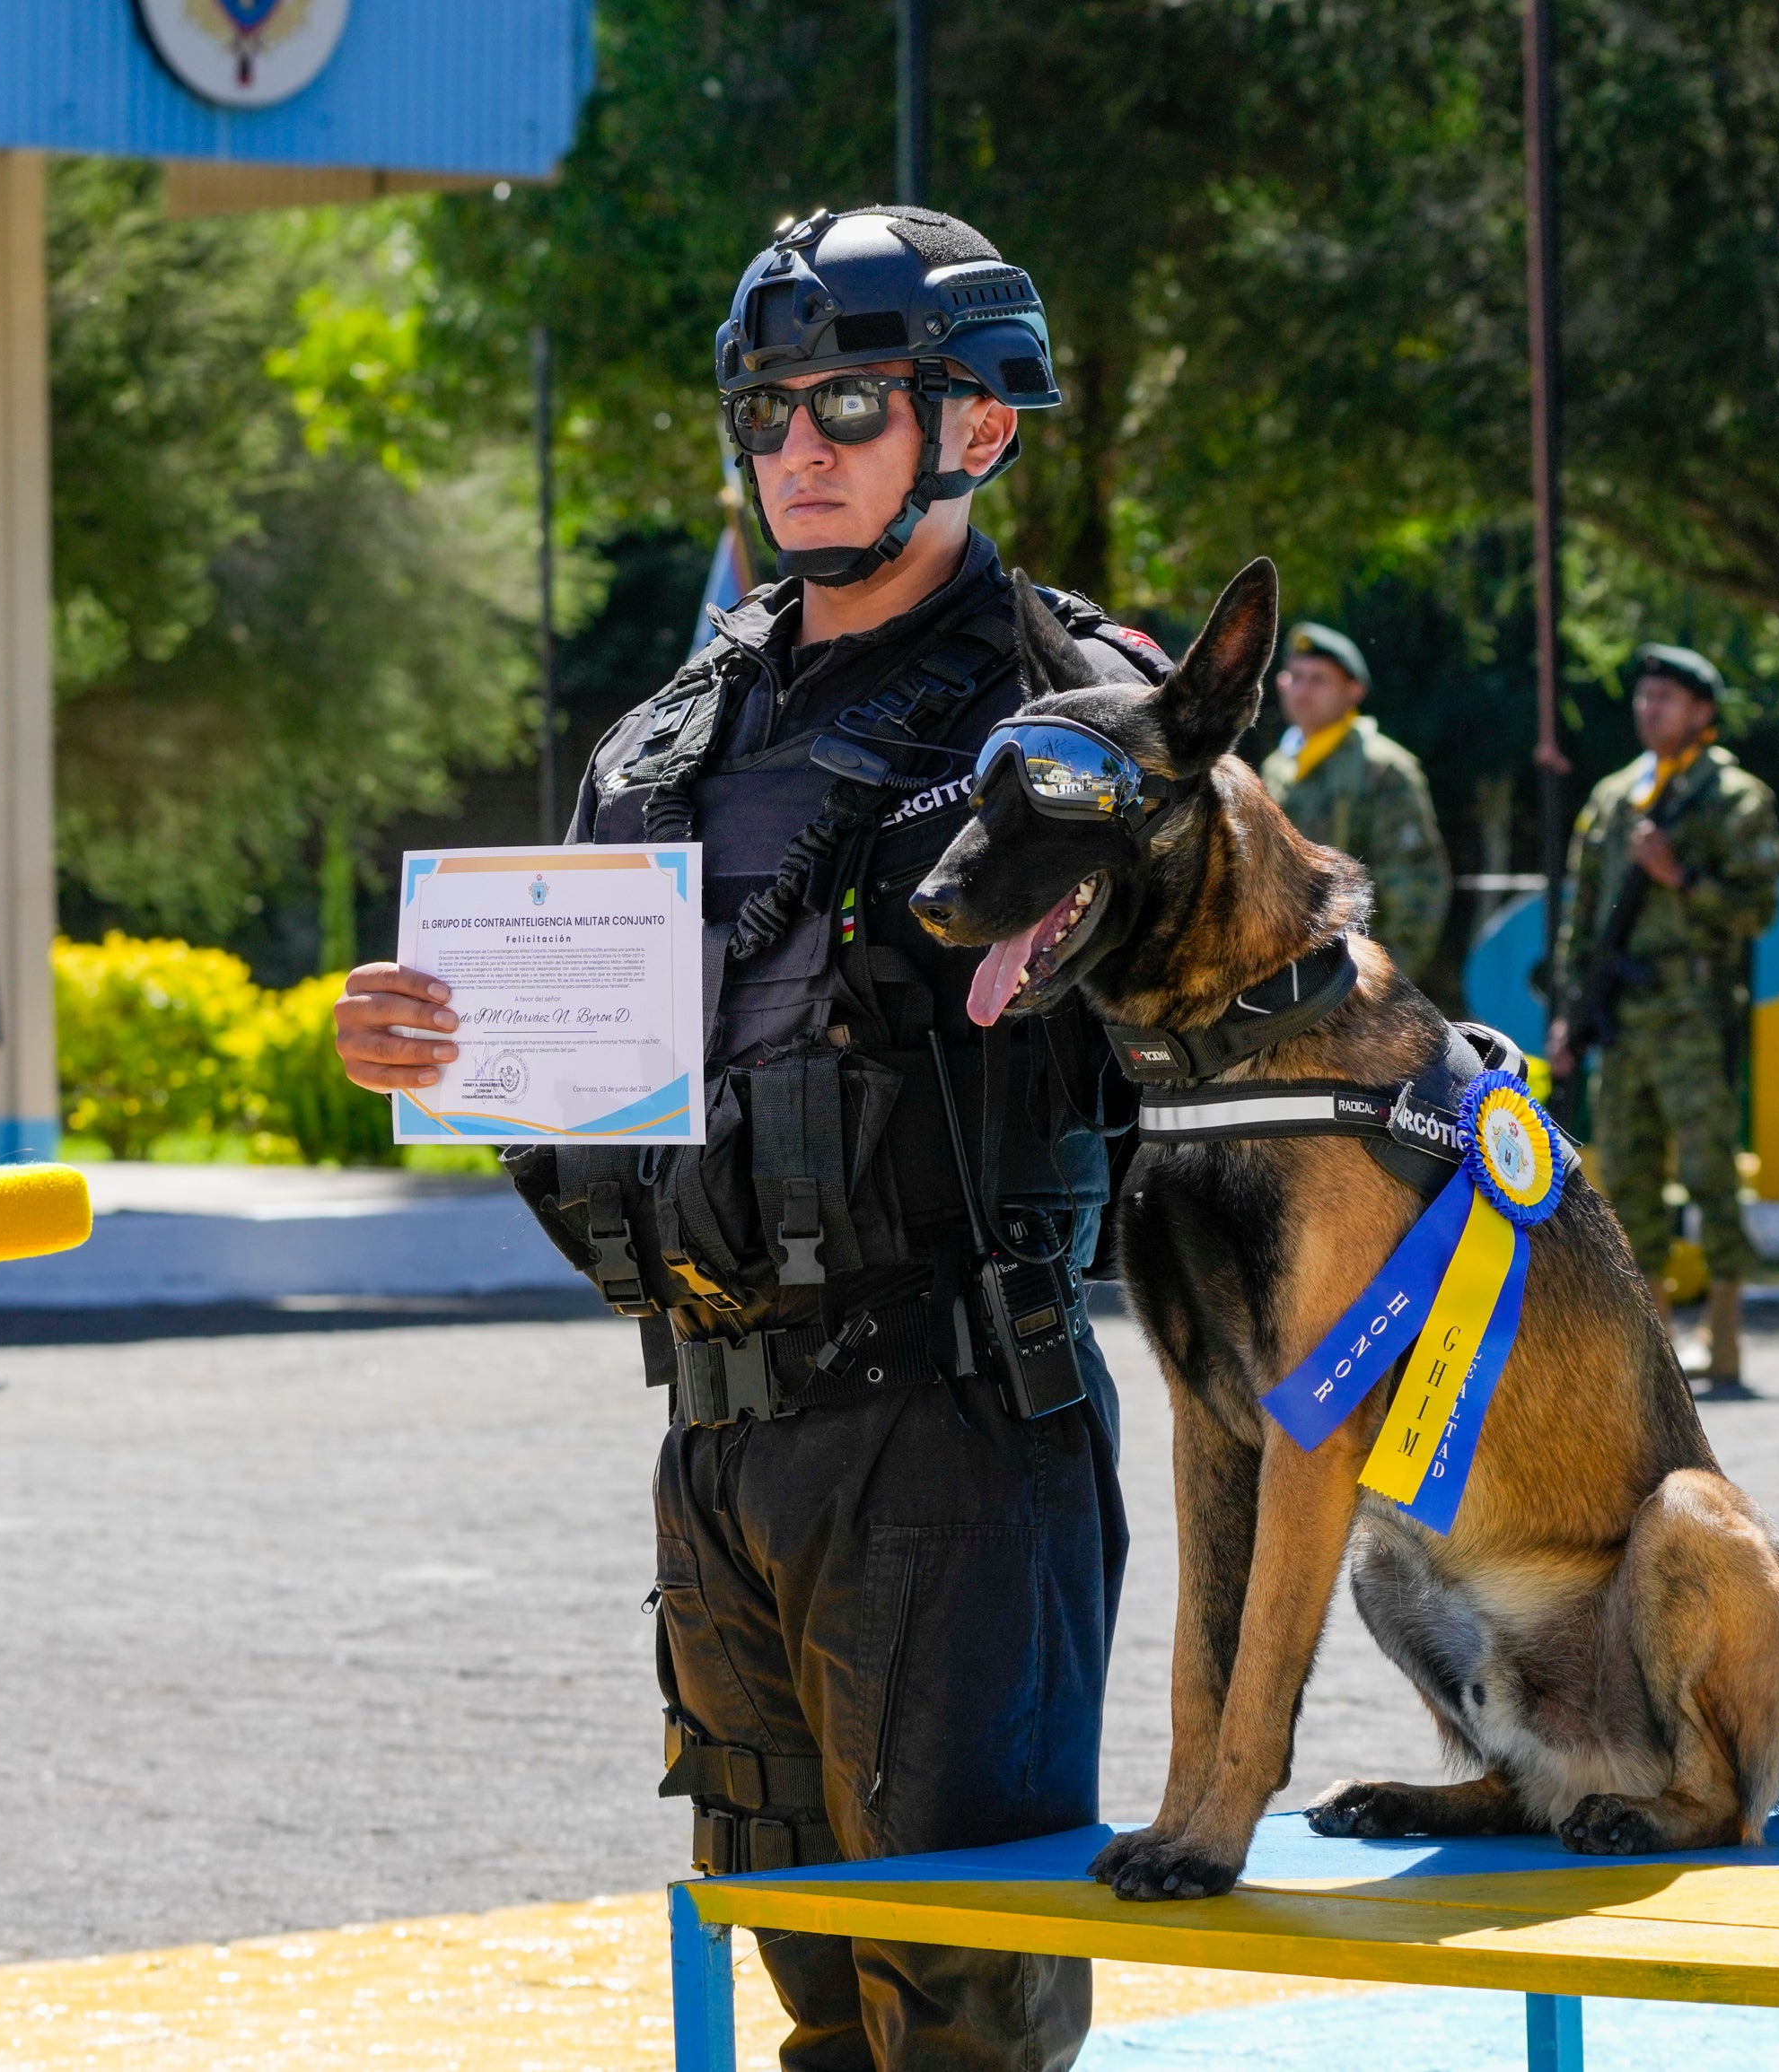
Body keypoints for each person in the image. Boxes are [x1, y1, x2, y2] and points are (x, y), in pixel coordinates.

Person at [337, 205, 1143, 2070]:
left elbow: (1245, 1036)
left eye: (848, 403)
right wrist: (434, 1043)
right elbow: (574, 1102)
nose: (796, 449)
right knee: (795, 1976)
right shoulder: (663, 736)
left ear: (978, 428)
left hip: (956, 1431)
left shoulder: (1084, 715)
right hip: (717, 1431)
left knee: (964, 2001)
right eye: (766, 407)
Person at [1544, 646, 1779, 1390]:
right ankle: (1653, 1338)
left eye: (1668, 700)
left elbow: (1758, 908)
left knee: (1711, 1171)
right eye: (1644, 697)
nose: (1651, 710)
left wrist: (1681, 878)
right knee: (1630, 1177)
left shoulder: (1733, 797)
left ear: (1703, 712)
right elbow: (1584, 913)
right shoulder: (1617, 795)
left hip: (1694, 1018)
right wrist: (1568, 1009)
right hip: (1622, 1019)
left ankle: (1728, 1328)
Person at [1257, 621, 1450, 976]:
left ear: (1354, 690)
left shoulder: (1383, 768)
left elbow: (1417, 887)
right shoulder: (1277, 768)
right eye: (1295, 677)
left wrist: (1387, 977)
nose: (1302, 690)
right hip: (1281, 976)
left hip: (1355, 977)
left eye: (1319, 679)